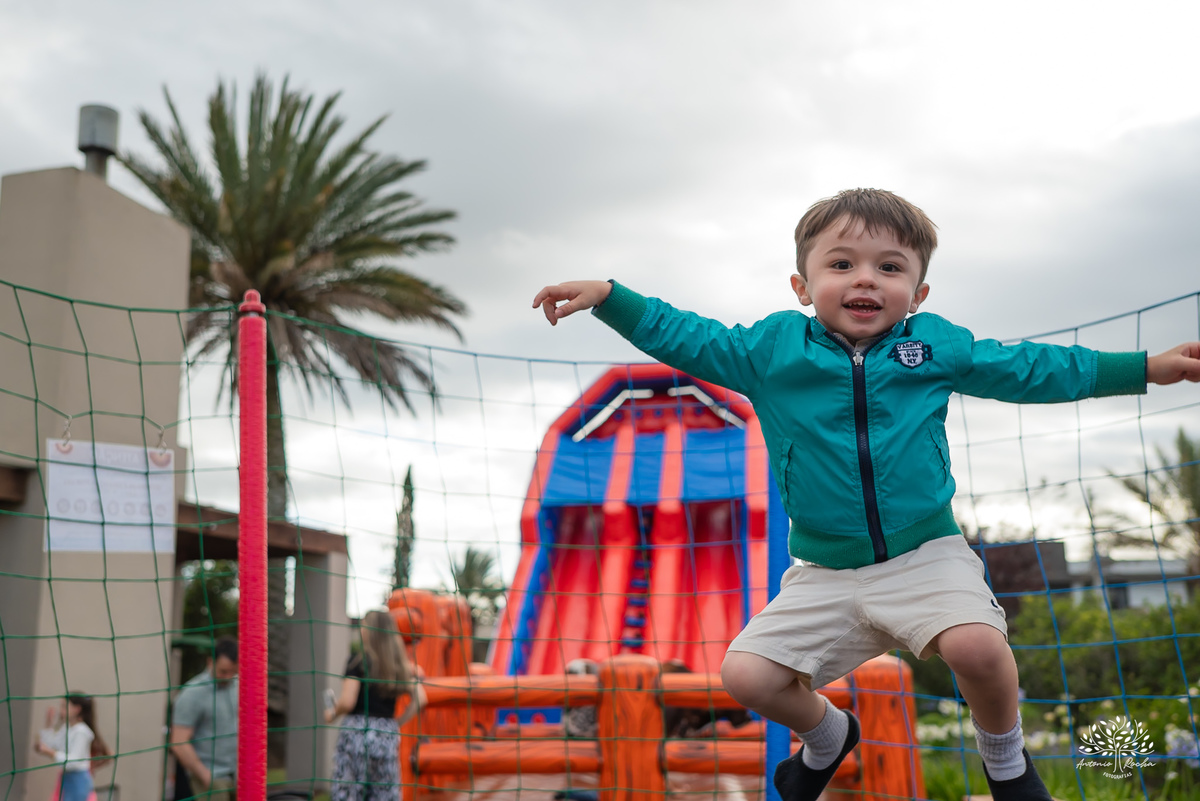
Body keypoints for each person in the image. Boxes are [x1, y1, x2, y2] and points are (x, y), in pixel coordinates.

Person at [532, 188, 1200, 801]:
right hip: (824, 570)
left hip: (924, 556)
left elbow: (1033, 367)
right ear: (803, 284)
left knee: (978, 648)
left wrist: (1144, 367)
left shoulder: (934, 348)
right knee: (747, 676)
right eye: (842, 263)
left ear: (918, 290)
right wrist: (611, 295)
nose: (864, 279)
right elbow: (687, 335)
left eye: (888, 267)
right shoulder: (769, 351)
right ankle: (827, 733)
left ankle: (1007, 765)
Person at [325, 609, 426, 801]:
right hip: (386, 734)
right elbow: (421, 698)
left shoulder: (358, 661)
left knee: (348, 793)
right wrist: (397, 723)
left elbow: (347, 702)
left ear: (368, 630)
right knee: (384, 794)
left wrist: (331, 713)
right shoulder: (399, 666)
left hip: (357, 732)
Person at [171, 638, 239, 801]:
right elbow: (178, 741)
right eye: (223, 671)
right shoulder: (192, 693)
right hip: (212, 776)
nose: (228, 677)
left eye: (233, 672)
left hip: (238, 774)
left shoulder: (238, 685)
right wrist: (204, 775)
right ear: (210, 662)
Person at [34, 693, 111, 801]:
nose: (61, 710)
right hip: (67, 778)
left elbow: (73, 762)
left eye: (64, 706)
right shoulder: (67, 727)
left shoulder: (82, 732)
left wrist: (50, 752)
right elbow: (52, 743)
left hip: (77, 780)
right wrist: (49, 722)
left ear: (77, 709)